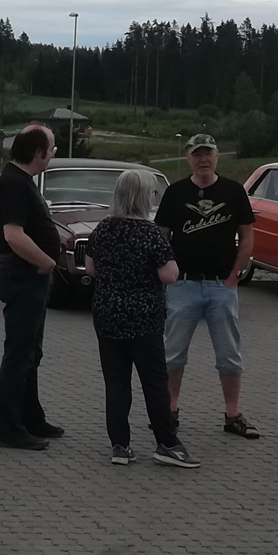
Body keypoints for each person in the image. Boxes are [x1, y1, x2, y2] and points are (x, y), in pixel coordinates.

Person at [85, 168, 197, 468]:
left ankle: (120, 445)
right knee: (154, 382)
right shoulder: (150, 234)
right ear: (142, 197)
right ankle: (167, 443)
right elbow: (169, 274)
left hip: (107, 315)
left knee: (116, 382)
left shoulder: (103, 228)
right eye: (151, 193)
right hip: (143, 319)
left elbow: (91, 268)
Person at [155, 133, 258, 440]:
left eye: (208, 153)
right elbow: (161, 238)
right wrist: (167, 274)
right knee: (173, 354)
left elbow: (247, 237)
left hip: (221, 286)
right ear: (188, 158)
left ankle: (232, 414)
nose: (203, 159)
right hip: (182, 285)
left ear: (216, 156)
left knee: (229, 354)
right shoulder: (175, 193)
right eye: (197, 154)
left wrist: (235, 274)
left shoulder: (233, 191)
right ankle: (169, 411)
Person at [0, 124, 63, 450]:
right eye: (52, 148)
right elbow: (13, 235)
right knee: (19, 353)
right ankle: (8, 427)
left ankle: (31, 416)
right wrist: (46, 261)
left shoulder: (20, 180)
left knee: (32, 351)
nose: (54, 153)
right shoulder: (16, 184)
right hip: (23, 275)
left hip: (29, 276)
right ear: (38, 152)